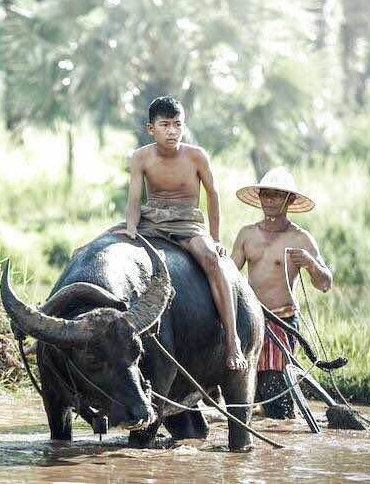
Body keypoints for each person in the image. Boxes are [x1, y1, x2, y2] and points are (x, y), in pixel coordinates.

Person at [116, 96, 247, 370]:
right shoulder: (140, 157)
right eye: (165, 125)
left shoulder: (196, 155)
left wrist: (214, 237)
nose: (172, 131)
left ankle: (232, 341)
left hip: (187, 222)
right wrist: (130, 228)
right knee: (97, 246)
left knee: (212, 260)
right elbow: (134, 200)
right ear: (151, 128)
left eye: (178, 125)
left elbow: (212, 196)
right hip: (152, 219)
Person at [230, 167, 333, 418]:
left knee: (276, 391)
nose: (270, 200)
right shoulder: (247, 234)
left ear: (290, 200)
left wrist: (310, 263)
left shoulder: (300, 238)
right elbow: (230, 275)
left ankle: (283, 428)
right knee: (242, 391)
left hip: (282, 321)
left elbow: (325, 283)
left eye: (277, 195)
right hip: (250, 321)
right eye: (266, 195)